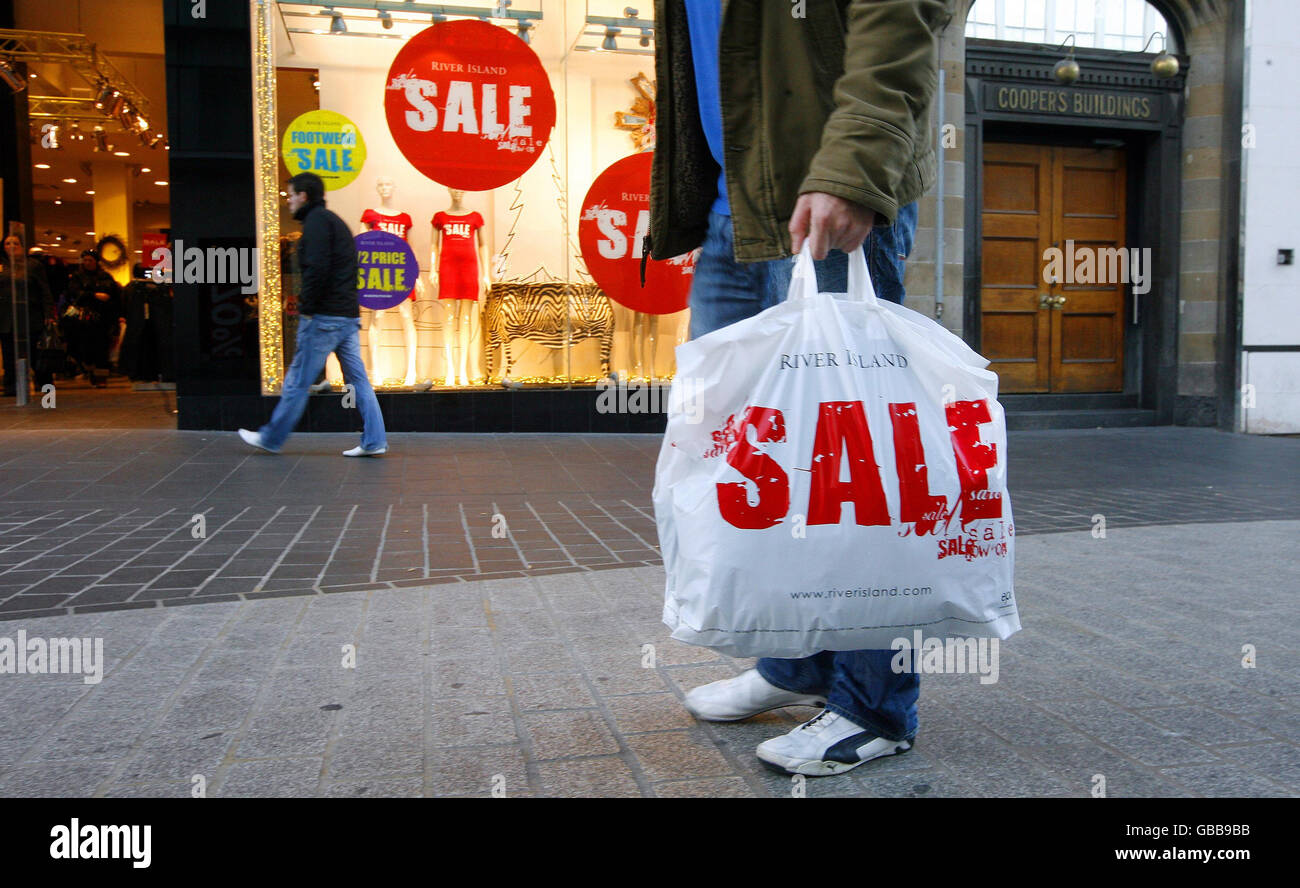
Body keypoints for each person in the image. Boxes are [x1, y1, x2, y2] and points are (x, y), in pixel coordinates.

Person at [644, 0, 951, 777]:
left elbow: (903, 15)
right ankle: (797, 663)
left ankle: (875, 705)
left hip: (829, 193)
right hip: (735, 204)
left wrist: (856, 164)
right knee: (759, 463)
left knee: (855, 468)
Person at [239, 171, 387, 457]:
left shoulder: (317, 223)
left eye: (291, 195)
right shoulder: (335, 223)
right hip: (345, 316)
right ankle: (374, 440)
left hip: (324, 318)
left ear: (303, 195)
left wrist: (307, 308)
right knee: (358, 381)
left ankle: (271, 437)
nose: (289, 201)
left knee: (297, 379)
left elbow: (317, 269)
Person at [0, 235, 52, 396]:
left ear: (22, 246)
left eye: (15, 243)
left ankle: (46, 388)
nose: (12, 246)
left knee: (35, 354)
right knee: (9, 356)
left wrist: (49, 313)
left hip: (30, 317)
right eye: (8, 243)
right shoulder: (2, 266)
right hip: (6, 319)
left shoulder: (33, 266)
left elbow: (45, 291)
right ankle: (11, 388)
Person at [63, 249, 122, 387]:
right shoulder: (77, 277)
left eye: (90, 260)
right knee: (85, 348)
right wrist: (94, 295)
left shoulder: (105, 277)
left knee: (101, 349)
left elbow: (113, 297)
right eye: (85, 260)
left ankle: (100, 378)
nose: (87, 263)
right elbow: (73, 294)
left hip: (102, 320)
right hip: (83, 321)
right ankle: (89, 369)